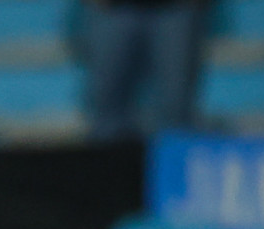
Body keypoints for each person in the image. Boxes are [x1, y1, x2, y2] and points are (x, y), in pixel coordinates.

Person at [82, 0, 213, 142]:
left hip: (176, 9)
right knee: (107, 116)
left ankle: (173, 152)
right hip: (114, 10)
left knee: (176, 109)